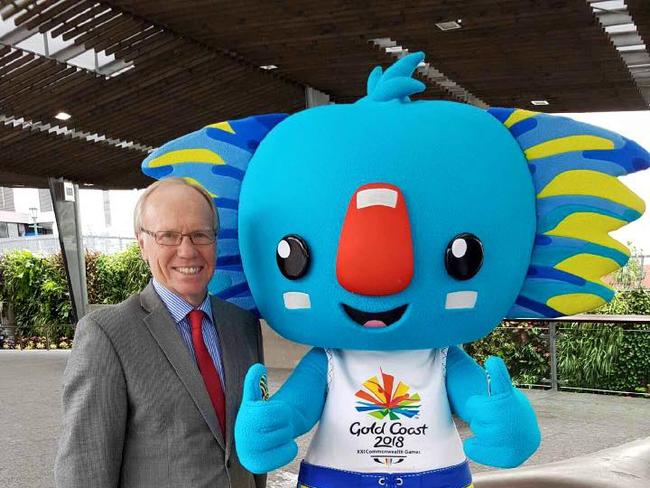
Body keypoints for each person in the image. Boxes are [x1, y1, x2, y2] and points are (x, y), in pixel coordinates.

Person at [55, 178, 265, 488]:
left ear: (215, 240)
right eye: (168, 236)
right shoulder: (106, 335)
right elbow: (85, 469)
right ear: (142, 244)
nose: (187, 250)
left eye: (200, 235)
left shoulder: (243, 326)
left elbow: (250, 446)